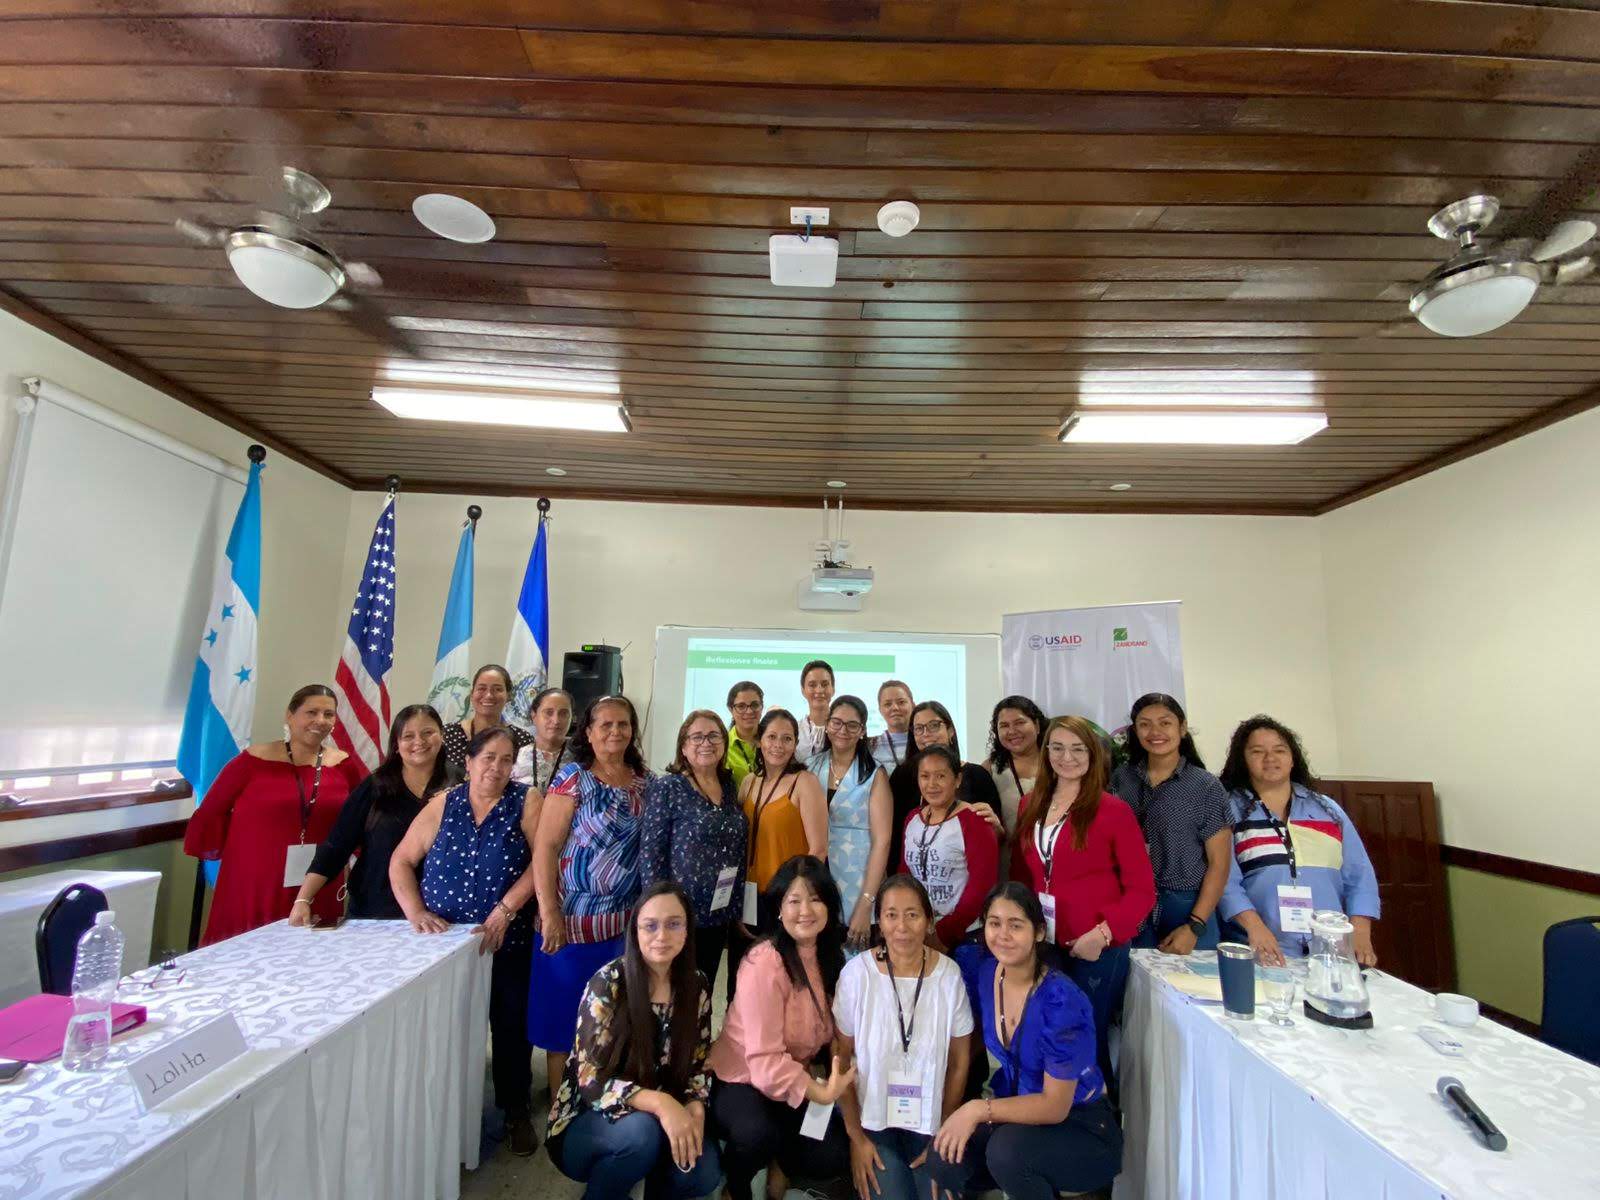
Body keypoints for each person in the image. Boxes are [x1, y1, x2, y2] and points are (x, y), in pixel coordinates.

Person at [389, 727, 541, 1154]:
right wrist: (416, 913)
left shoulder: (526, 800)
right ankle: (445, 1114)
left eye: (507, 759)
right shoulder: (443, 804)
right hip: (446, 948)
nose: (497, 767)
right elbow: (401, 861)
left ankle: (514, 1110)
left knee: (511, 1028)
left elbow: (543, 862)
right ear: (470, 762)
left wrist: (506, 909)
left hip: (505, 940)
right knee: (448, 1032)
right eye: (488, 758)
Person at [928, 884, 1122, 1200]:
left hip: (1081, 1125)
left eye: (1015, 925)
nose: (1003, 934)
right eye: (994, 923)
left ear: (1039, 932)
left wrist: (978, 1109)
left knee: (1008, 1153)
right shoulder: (987, 971)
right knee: (944, 1156)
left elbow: (1055, 1106)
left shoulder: (1062, 1001)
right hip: (1019, 1114)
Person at [546, 882, 721, 1200]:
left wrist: (695, 1109)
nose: (662, 936)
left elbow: (698, 1063)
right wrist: (662, 1104)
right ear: (635, 931)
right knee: (642, 1135)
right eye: (650, 926)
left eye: (674, 924)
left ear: (687, 930)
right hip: (589, 1120)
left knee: (705, 1172)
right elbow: (590, 1082)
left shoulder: (697, 985)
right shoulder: (608, 984)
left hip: (660, 1117)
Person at [1011, 716, 1155, 1086]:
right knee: (1049, 1041)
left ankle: (1099, 1127)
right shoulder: (1030, 805)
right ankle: (1053, 1123)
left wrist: (1104, 934)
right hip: (1046, 945)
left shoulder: (1113, 811)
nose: (1066, 757)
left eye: (1077, 749)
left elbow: (1142, 891)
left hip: (1096, 948)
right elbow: (1022, 877)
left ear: (1093, 756)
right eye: (1057, 747)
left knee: (1086, 1044)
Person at [708, 856, 856, 1200]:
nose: (805, 910)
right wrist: (820, 1093)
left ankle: (780, 1163)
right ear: (778, 908)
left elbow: (834, 1036)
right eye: (794, 900)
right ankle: (736, 1183)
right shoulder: (765, 961)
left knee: (832, 1152)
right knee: (758, 1133)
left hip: (791, 1078)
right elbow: (763, 1064)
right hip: (742, 1078)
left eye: (816, 899)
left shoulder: (830, 956)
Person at [185, 683, 368, 945]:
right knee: (247, 952)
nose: (320, 720)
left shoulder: (344, 765)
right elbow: (211, 814)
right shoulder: (251, 761)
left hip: (318, 880)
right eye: (311, 712)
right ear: (289, 715)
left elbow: (361, 820)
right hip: (256, 879)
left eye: (329, 714)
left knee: (310, 957)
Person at [532, 694, 651, 1091]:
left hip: (622, 931)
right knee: (564, 1027)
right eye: (606, 724)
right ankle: (558, 1113)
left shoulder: (643, 783)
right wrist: (549, 912)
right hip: (568, 928)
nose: (615, 731)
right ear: (588, 731)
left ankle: (603, 1105)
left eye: (623, 724)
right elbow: (546, 847)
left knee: (614, 1026)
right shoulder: (572, 778)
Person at [834, 875, 973, 1200]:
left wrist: (943, 1133)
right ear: (879, 922)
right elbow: (840, 1056)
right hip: (872, 1117)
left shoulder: (949, 976)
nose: (901, 926)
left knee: (940, 1193)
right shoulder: (857, 975)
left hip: (930, 1120)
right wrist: (857, 1138)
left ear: (928, 921)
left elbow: (959, 1062)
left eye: (912, 915)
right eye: (891, 915)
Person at [1216, 715, 1381, 966]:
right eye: (1257, 752)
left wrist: (1360, 929)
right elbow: (1225, 880)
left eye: (1279, 750)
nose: (1270, 759)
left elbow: (1359, 874)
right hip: (1260, 948)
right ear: (1243, 760)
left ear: (1293, 758)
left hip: (1331, 948)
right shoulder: (1229, 811)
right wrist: (1255, 927)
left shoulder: (1328, 810)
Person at [292, 703, 448, 924]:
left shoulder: (461, 785)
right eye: (408, 736)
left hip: (442, 915)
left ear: (441, 736)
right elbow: (337, 845)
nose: (418, 742)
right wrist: (303, 899)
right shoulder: (374, 787)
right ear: (396, 744)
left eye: (428, 733)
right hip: (376, 912)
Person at [1109, 693, 1231, 954]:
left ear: (1182, 728)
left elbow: (1219, 864)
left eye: (1165, 723)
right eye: (1145, 724)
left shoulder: (1206, 786)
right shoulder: (1121, 779)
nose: (1155, 732)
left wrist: (1195, 925)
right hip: (1130, 902)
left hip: (1185, 905)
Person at [640, 710, 748, 992]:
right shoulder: (668, 788)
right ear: (684, 747)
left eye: (713, 735)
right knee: (675, 992)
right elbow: (651, 855)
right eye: (697, 736)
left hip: (720, 912)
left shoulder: (728, 785)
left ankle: (698, 1037)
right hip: (679, 914)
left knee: (705, 988)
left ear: (724, 743)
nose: (706, 742)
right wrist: (658, 912)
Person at [731, 710, 828, 989]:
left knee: (782, 980)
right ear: (760, 740)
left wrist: (800, 901)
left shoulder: (804, 782)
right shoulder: (750, 782)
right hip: (750, 896)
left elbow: (818, 850)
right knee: (744, 980)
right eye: (771, 737)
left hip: (786, 898)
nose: (778, 745)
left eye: (787, 738)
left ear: (795, 744)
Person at [807, 695, 892, 952]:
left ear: (863, 730)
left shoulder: (874, 774)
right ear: (827, 725)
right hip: (817, 882)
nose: (843, 730)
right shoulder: (811, 767)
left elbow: (882, 842)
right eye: (836, 722)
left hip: (859, 886)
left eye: (852, 725)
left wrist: (866, 904)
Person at [899, 746, 1000, 951]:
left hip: (964, 936)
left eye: (941, 776)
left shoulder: (975, 821)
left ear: (957, 780)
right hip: (919, 932)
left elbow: (981, 887)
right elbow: (904, 874)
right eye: (925, 776)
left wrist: (944, 934)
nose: (932, 784)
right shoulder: (912, 819)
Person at [887, 700, 1001, 874]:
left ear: (950, 731)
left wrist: (996, 829)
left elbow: (996, 836)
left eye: (934, 725)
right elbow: (895, 838)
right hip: (911, 883)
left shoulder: (977, 776)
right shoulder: (902, 776)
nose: (926, 734)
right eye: (919, 728)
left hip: (966, 881)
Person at [441, 664, 534, 774]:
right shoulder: (448, 734)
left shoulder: (522, 739)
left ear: (509, 696)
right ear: (471, 694)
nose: (489, 695)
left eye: (497, 689)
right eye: (481, 688)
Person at [984, 695, 1047, 837]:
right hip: (1010, 855)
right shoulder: (988, 769)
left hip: (1058, 853)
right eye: (1004, 725)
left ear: (1036, 725)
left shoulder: (1059, 763)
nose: (1012, 731)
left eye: (1019, 722)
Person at [513, 685, 575, 791]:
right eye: (548, 713)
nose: (556, 720)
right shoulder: (516, 754)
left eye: (563, 713)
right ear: (533, 715)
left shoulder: (581, 756)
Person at [724, 680, 764, 789]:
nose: (749, 711)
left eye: (755, 705)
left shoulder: (774, 742)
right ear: (730, 709)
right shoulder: (722, 746)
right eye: (741, 706)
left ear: (762, 707)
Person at [796, 659, 835, 761]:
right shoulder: (794, 730)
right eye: (812, 685)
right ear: (803, 690)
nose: (819, 690)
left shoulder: (843, 729)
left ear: (833, 689)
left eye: (825, 684)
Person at [872, 680, 914, 772]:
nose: (895, 708)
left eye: (901, 702)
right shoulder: (871, 746)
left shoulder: (925, 740)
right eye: (888, 704)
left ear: (913, 705)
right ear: (880, 710)